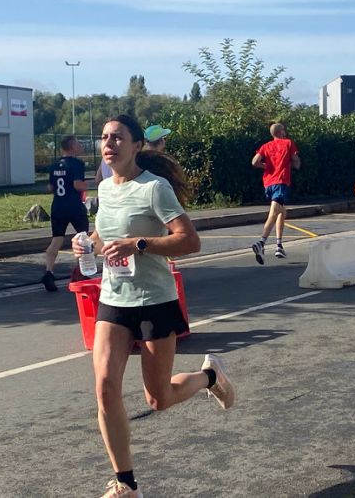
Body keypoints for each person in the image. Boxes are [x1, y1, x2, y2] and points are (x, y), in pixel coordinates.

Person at [72, 115, 234, 498]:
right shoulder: (105, 188)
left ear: (136, 145)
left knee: (158, 399)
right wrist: (87, 243)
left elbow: (189, 241)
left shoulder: (154, 188)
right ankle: (126, 484)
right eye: (104, 137)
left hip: (154, 301)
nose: (108, 143)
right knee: (105, 388)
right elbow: (104, 235)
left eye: (118, 137)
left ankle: (210, 377)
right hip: (113, 299)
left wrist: (139, 244)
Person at [41, 136, 89, 292]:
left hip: (58, 206)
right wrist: (87, 185)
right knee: (82, 238)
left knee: (56, 240)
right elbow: (77, 185)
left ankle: (49, 271)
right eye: (78, 143)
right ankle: (80, 271)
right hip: (74, 206)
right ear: (72, 146)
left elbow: (50, 187)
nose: (80, 146)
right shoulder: (77, 164)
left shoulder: (54, 165)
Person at [251, 123, 301, 264]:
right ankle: (261, 243)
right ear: (280, 132)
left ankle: (279, 245)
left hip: (268, 183)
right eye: (284, 130)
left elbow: (254, 162)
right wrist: (297, 164)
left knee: (281, 212)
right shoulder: (288, 143)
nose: (285, 132)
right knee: (274, 213)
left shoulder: (266, 146)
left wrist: (266, 166)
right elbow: (295, 160)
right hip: (281, 181)